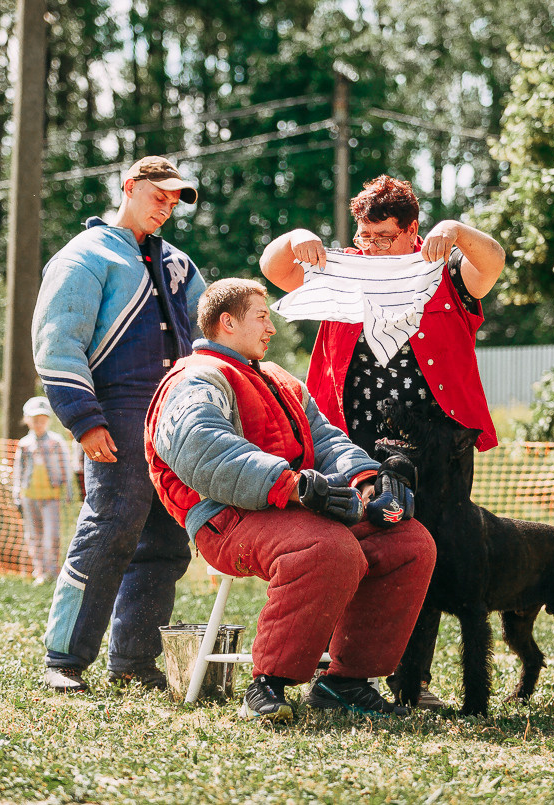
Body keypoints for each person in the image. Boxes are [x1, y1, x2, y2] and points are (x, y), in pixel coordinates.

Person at [259, 175, 506, 709]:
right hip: (351, 439)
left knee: (426, 552)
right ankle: (346, 670)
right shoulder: (344, 268)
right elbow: (274, 269)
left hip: (437, 444)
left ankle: (412, 680)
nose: (370, 247)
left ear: (413, 230)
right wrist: (295, 237)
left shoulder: (446, 271)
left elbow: (492, 264)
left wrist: (457, 229)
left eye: (384, 237)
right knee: (353, 543)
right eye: (364, 236)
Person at [144, 278, 436, 722]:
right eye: (261, 317)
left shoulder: (278, 377)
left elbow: (326, 440)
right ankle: (267, 686)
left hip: (294, 503)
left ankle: (346, 683)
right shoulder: (195, 378)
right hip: (225, 518)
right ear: (227, 322)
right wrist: (294, 486)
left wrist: (367, 480)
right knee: (326, 548)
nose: (271, 328)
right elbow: (202, 449)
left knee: (410, 543)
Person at [34, 155, 206, 693]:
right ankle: (64, 659)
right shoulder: (84, 256)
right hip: (118, 407)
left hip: (175, 413)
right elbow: (58, 341)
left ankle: (134, 661)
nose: (166, 208)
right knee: (110, 527)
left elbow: (205, 337)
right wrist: (84, 419)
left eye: (173, 202)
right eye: (159, 196)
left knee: (167, 540)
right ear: (129, 187)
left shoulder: (179, 264)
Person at [12, 396, 74, 584]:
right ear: (27, 420)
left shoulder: (56, 442)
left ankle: (52, 569)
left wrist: (68, 490)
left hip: (50, 496)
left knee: (51, 534)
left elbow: (65, 466)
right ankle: (39, 570)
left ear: (47, 420)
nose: (38, 423)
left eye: (42, 419)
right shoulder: (24, 444)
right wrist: (16, 493)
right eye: (34, 420)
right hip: (29, 495)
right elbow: (18, 470)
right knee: (34, 534)